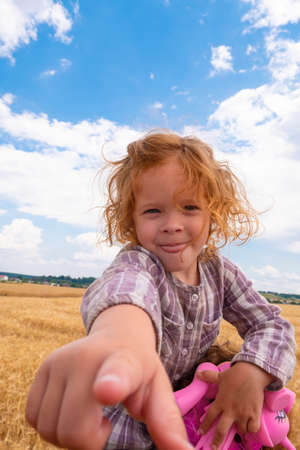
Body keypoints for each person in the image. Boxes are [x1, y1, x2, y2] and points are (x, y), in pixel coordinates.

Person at [26, 131, 296, 450]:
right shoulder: (139, 263)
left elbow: (271, 324)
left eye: (190, 207)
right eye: (153, 211)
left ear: (215, 214)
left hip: (190, 425)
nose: (172, 224)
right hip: (125, 433)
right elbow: (126, 292)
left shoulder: (219, 271)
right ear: (132, 219)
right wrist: (122, 341)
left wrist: (252, 369)